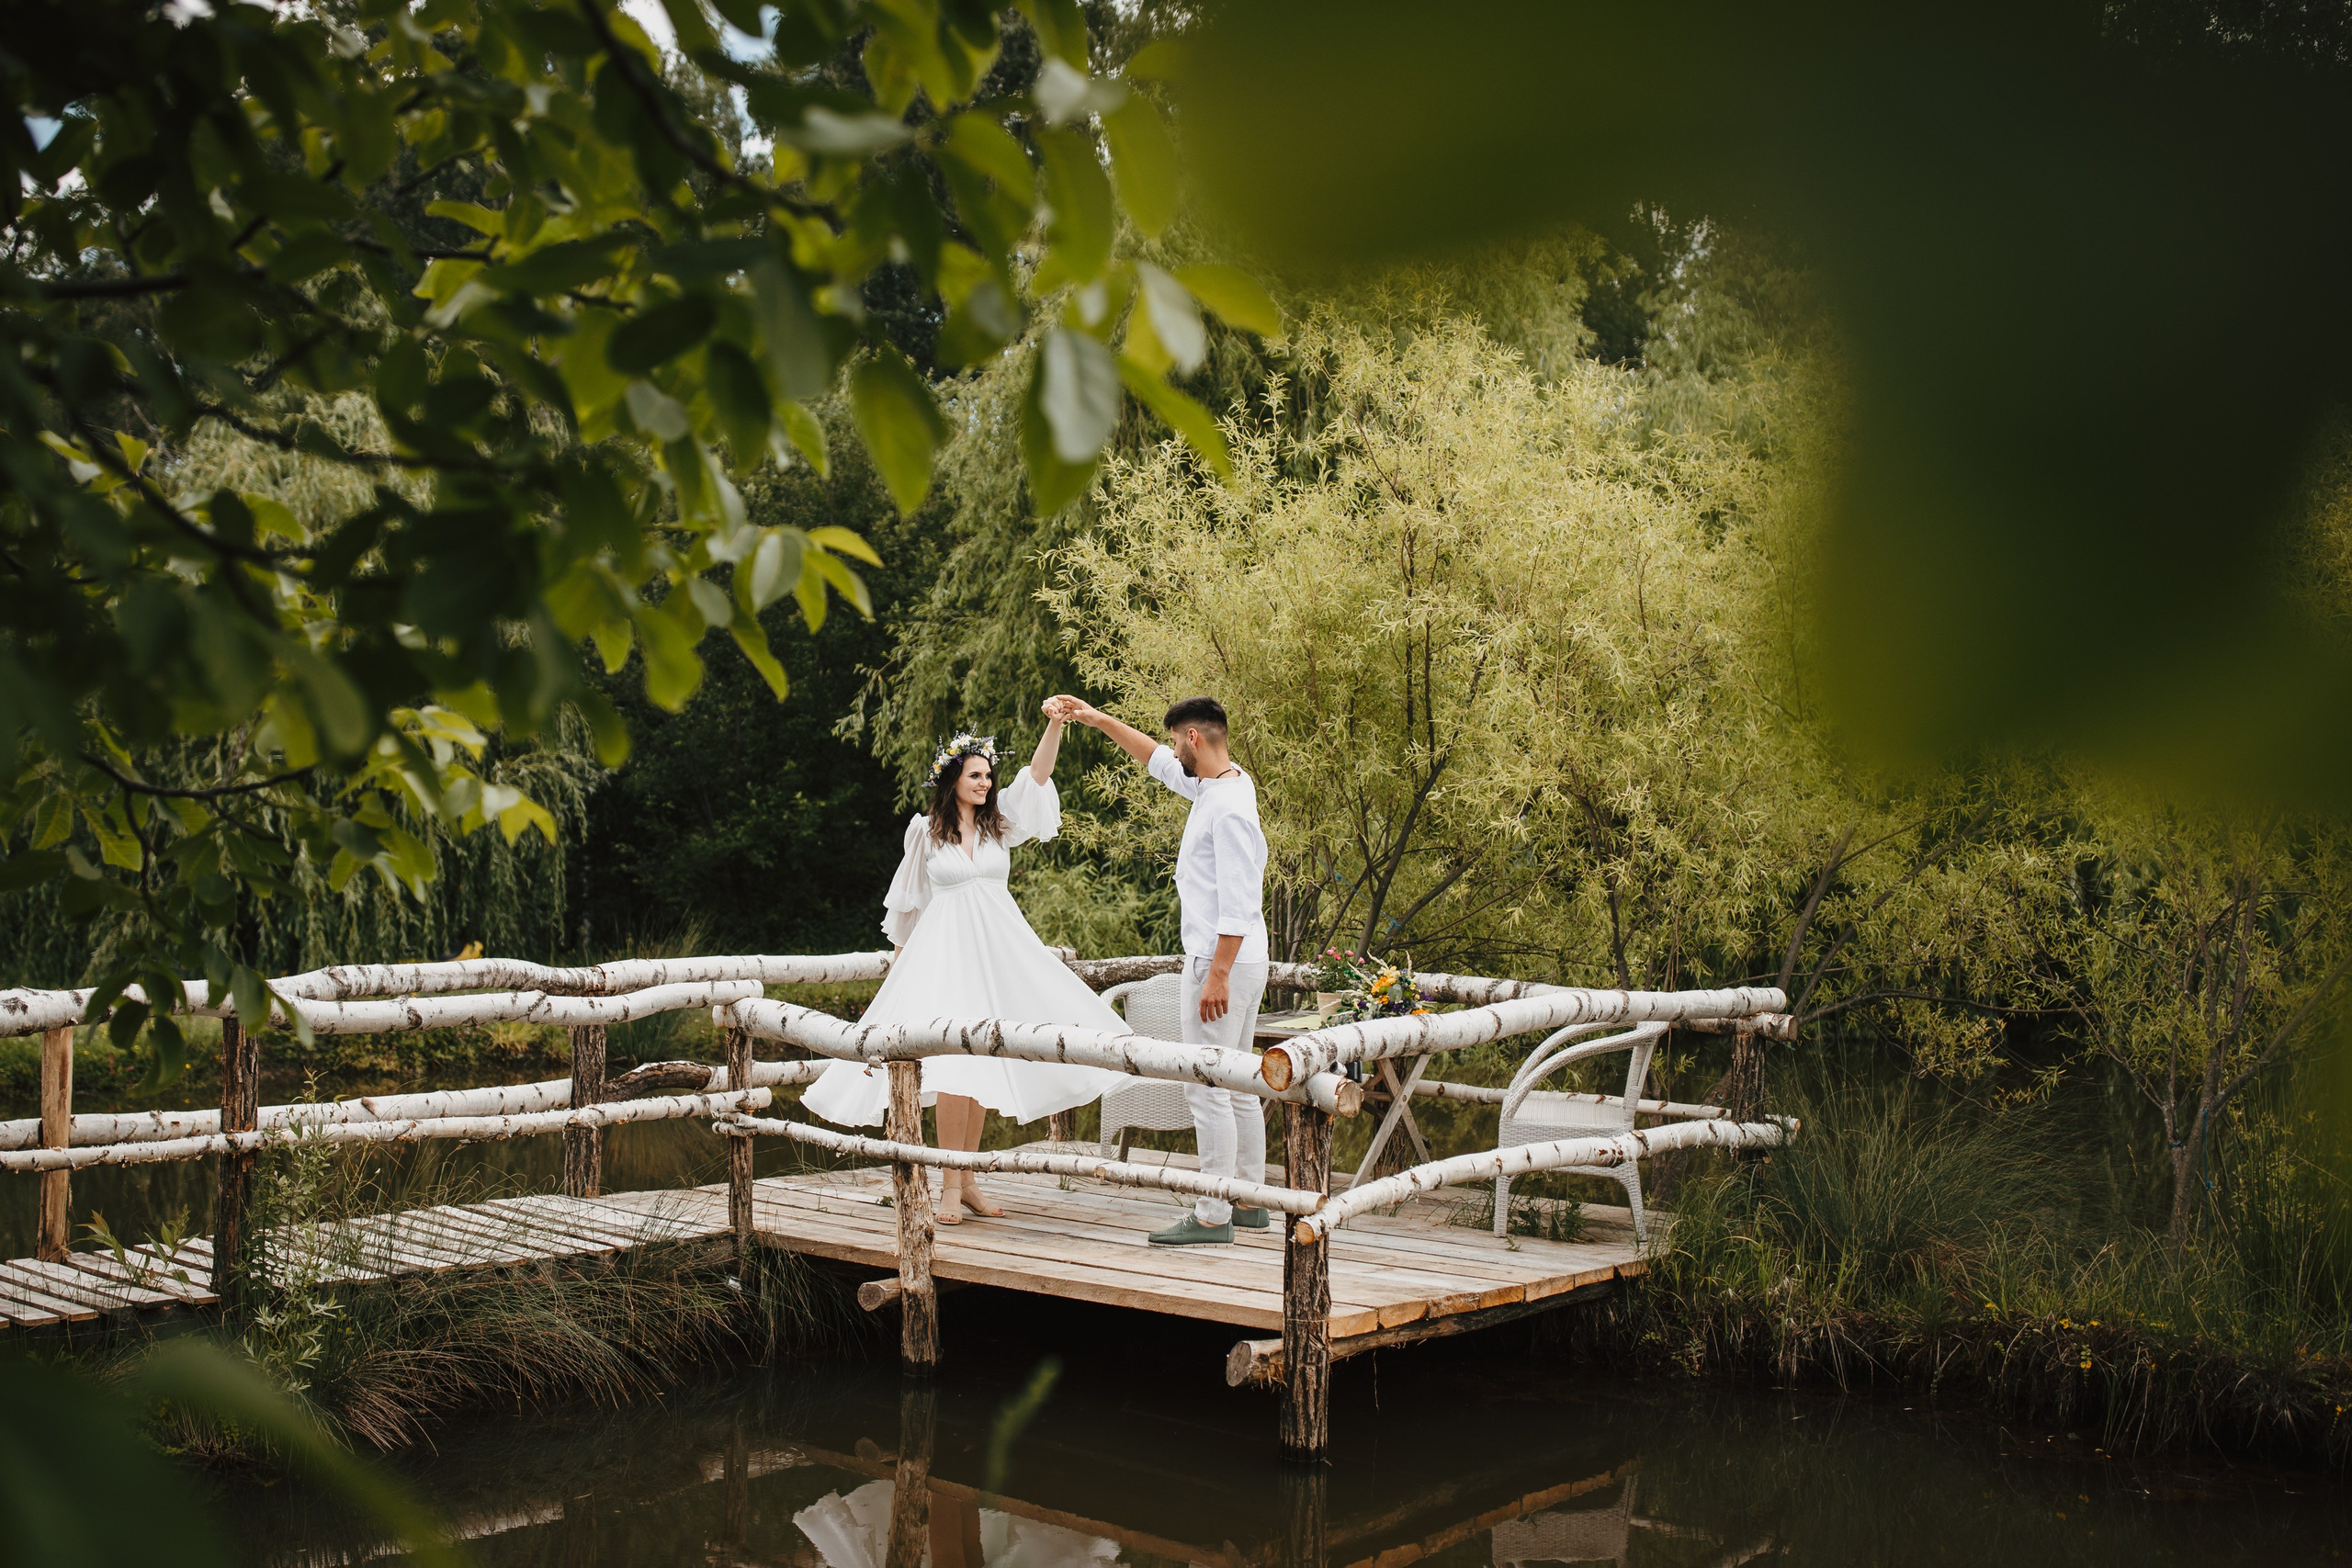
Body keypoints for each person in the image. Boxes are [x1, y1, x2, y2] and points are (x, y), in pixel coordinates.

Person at [799, 705, 1130, 1222]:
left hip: (996, 955)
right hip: (946, 959)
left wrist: (1055, 724)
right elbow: (906, 908)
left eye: (988, 775)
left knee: (982, 1064)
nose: (985, 782)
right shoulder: (925, 834)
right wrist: (901, 972)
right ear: (952, 779)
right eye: (975, 775)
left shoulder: (999, 827)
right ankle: (948, 1187)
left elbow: (1037, 775)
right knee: (954, 1065)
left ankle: (969, 1180)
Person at [1052, 694, 1270, 1247]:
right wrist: (1098, 720)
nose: (1174, 751)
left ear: (1194, 737)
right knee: (1240, 1085)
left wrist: (1216, 975)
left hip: (1222, 963)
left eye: (1178, 741)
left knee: (1208, 1087)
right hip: (1240, 960)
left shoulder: (1228, 807)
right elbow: (1154, 760)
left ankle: (1214, 1214)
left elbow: (1239, 903)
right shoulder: (1222, 784)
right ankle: (1249, 1199)